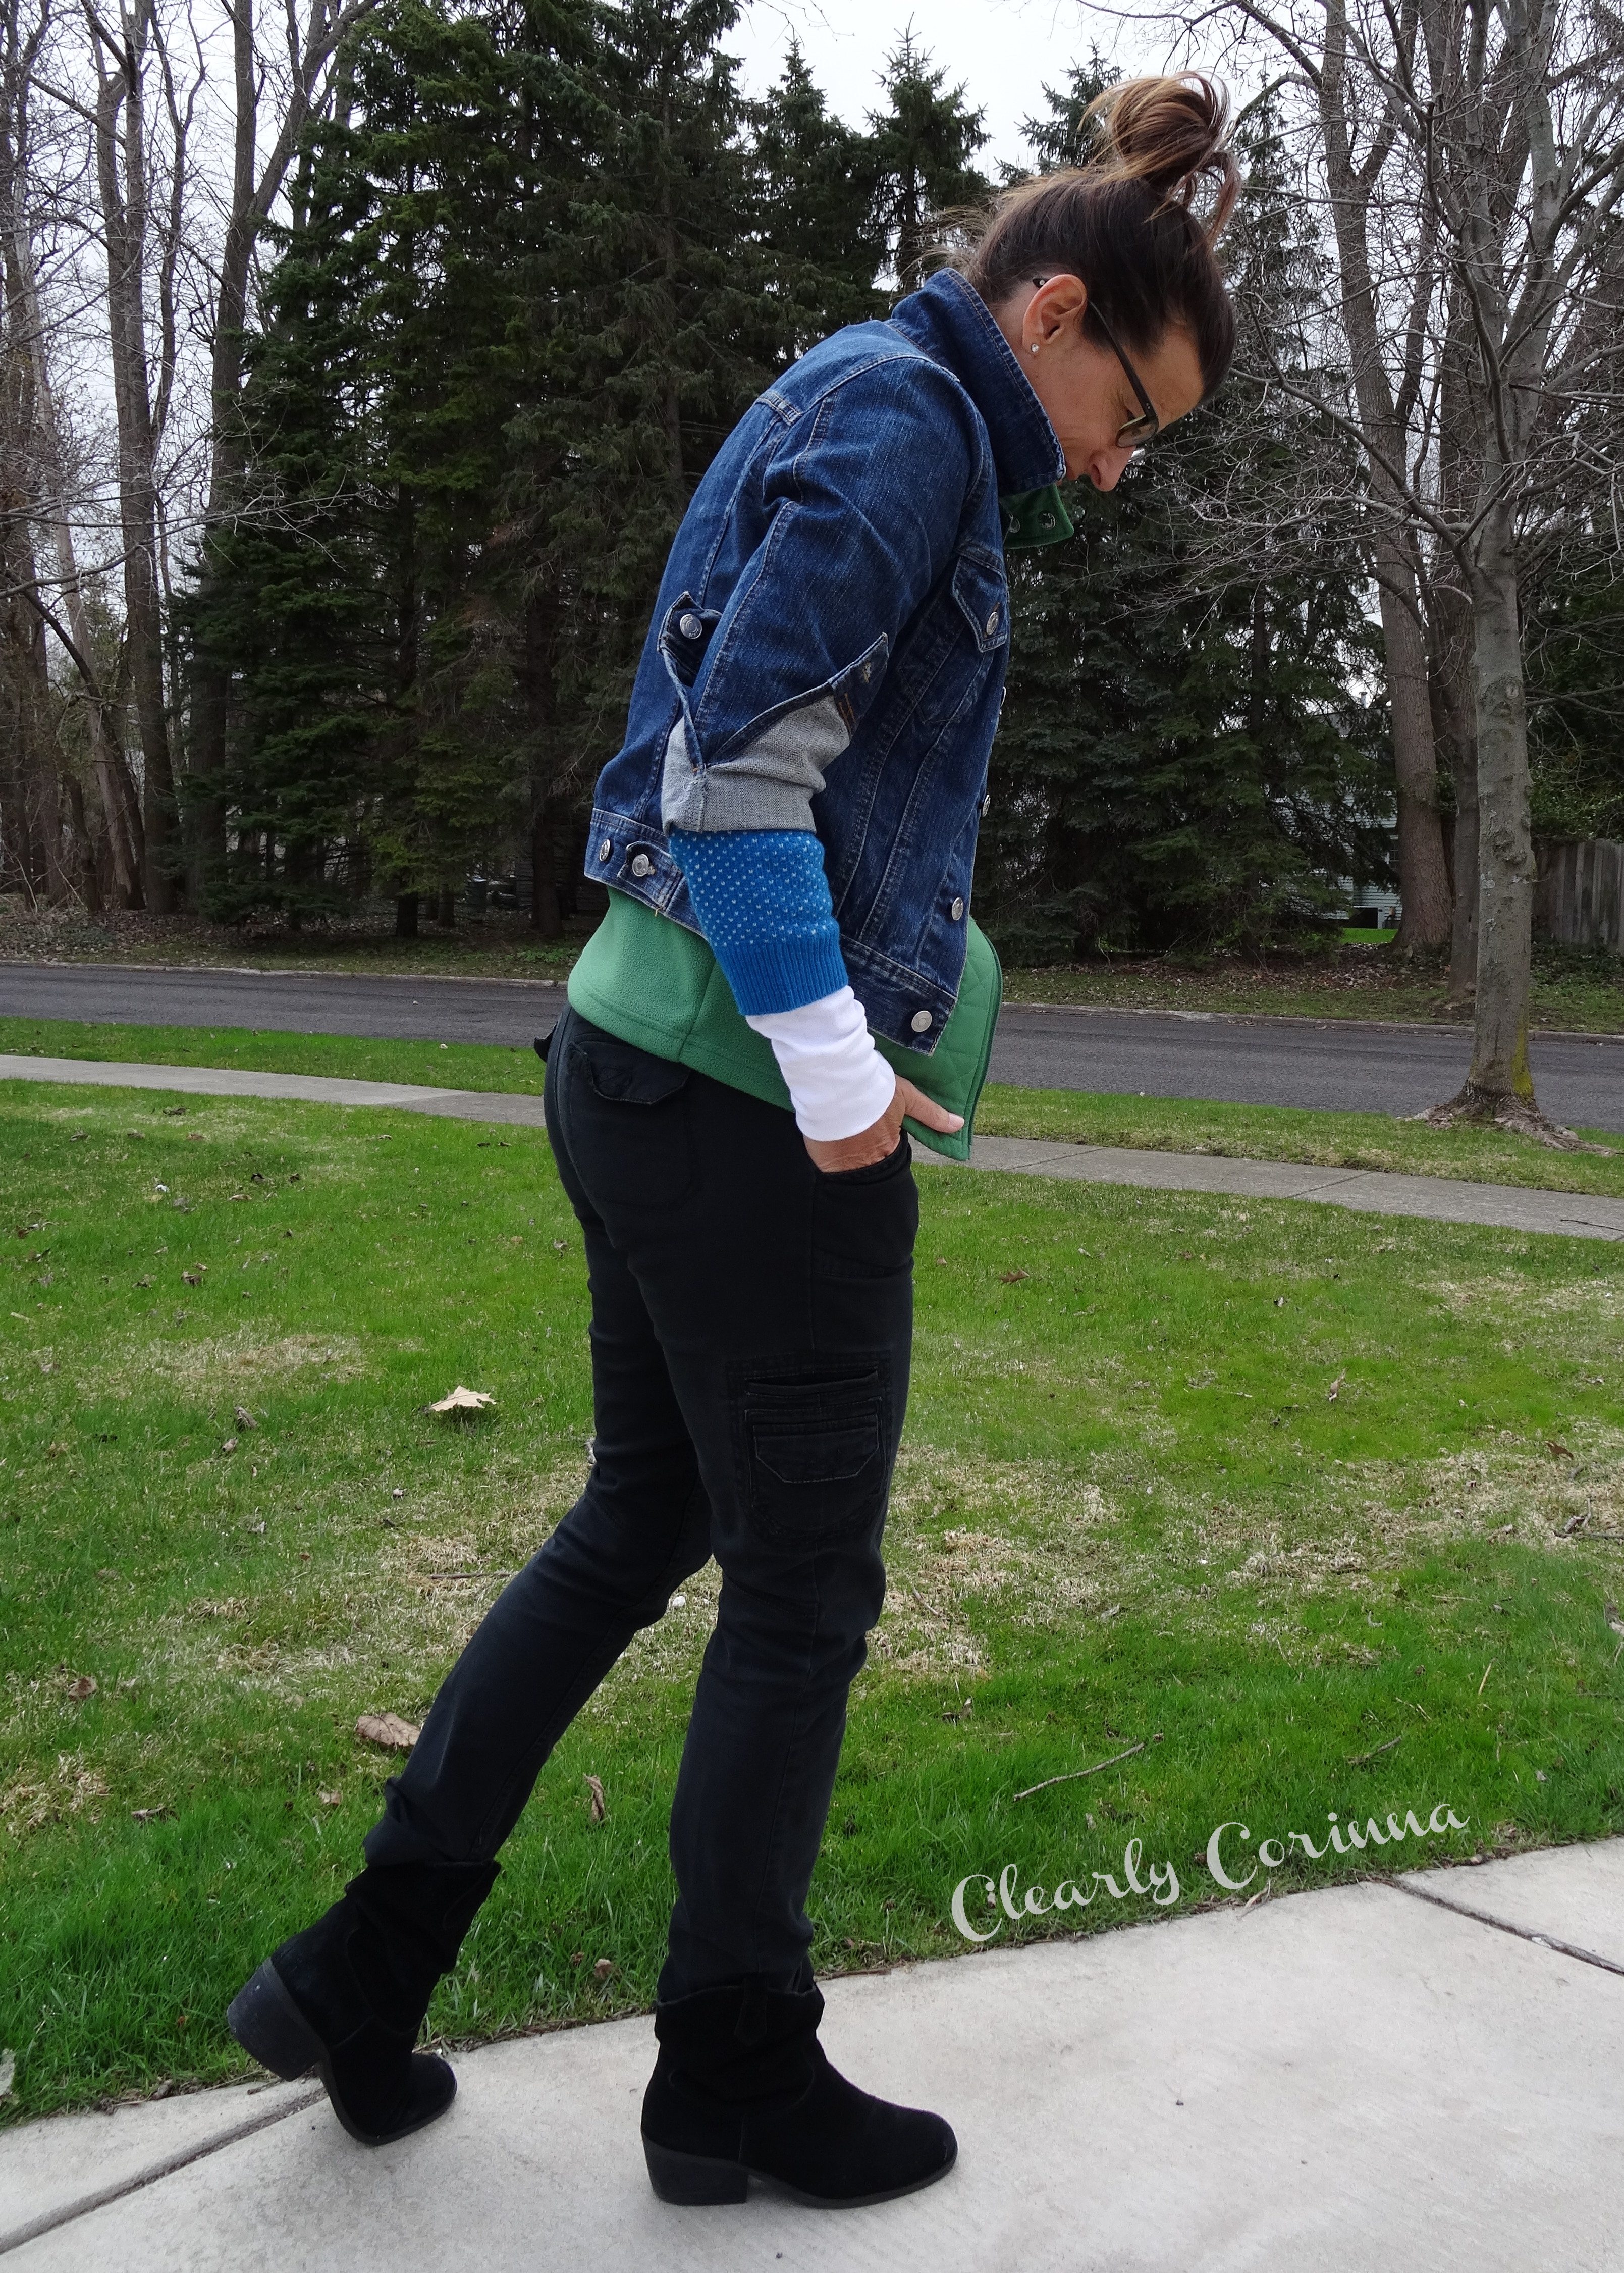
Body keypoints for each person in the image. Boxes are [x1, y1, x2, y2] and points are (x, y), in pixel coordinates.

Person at [226, 70, 1240, 2212]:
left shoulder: (877, 397)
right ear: (1052, 313)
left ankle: (357, 1972)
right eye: (1126, 415)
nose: (1114, 468)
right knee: (801, 1595)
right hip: (740, 1102)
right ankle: (734, 2076)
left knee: (641, 1526)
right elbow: (739, 770)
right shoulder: (908, 424)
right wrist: (836, 1070)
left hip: (639, 1060)